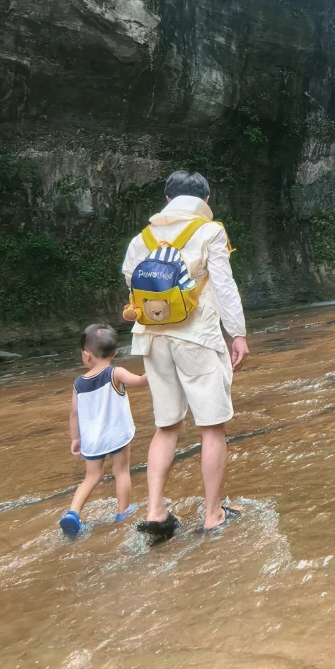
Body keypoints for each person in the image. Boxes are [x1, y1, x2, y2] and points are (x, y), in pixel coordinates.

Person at [121, 170, 249, 540]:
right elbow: (224, 286)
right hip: (198, 337)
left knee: (166, 426)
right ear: (206, 202)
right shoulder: (210, 231)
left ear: (167, 200)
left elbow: (133, 283)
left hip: (152, 340)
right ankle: (212, 515)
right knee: (211, 427)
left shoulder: (140, 239)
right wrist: (237, 334)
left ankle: (156, 510)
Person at [59, 323, 150, 538]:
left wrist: (75, 438)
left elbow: (74, 413)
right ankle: (123, 511)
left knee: (91, 477)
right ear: (114, 353)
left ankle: (73, 513)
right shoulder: (115, 372)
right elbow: (139, 381)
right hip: (117, 435)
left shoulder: (78, 383)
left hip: (92, 440)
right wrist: (156, 369)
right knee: (121, 472)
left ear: (87, 355)